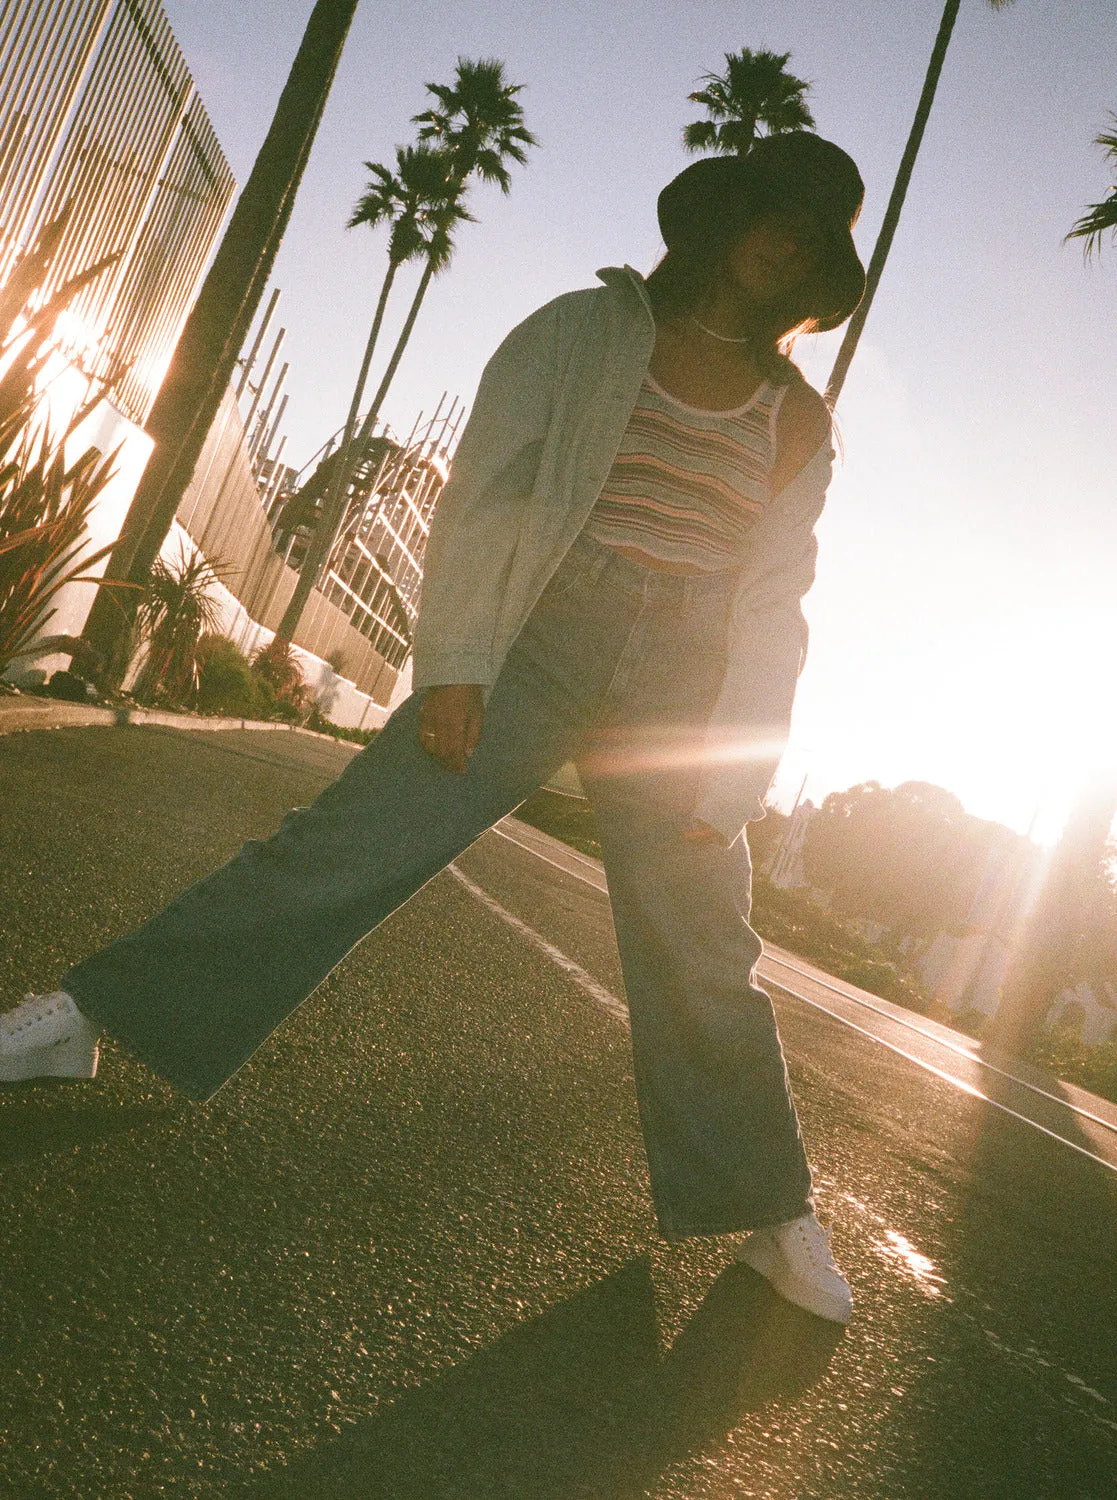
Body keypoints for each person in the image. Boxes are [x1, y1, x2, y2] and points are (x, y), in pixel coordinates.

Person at [1, 132, 865, 1324]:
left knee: (706, 947)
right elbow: (485, 493)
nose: (790, 243)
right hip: (539, 636)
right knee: (346, 844)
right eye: (776, 213)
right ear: (723, 218)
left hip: (681, 682)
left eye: (816, 236)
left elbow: (775, 605)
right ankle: (90, 1016)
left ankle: (771, 1209)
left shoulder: (798, 424)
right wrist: (455, 664)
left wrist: (735, 773)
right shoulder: (581, 332)